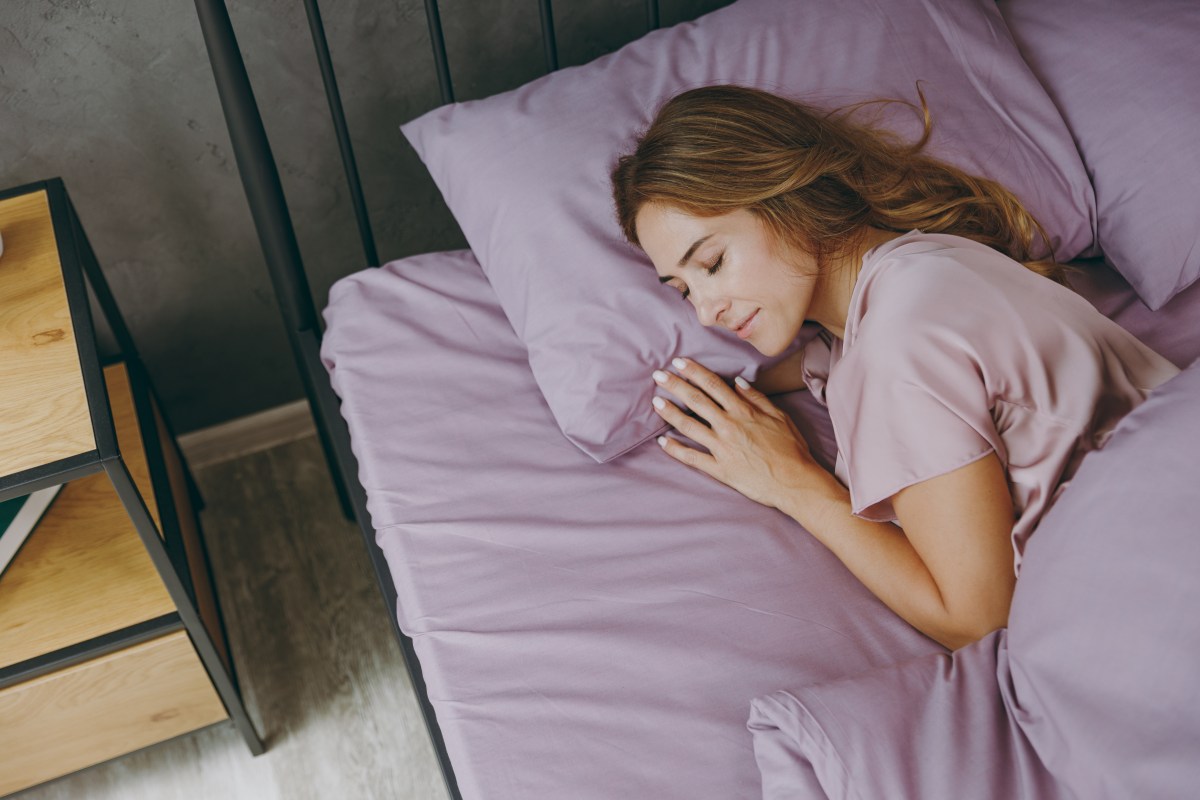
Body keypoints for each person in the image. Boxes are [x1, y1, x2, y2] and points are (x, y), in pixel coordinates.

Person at [610, 85, 1180, 651]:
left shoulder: (896, 346)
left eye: (713, 262)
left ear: (784, 194)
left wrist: (796, 484)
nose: (707, 311)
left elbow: (974, 619)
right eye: (683, 290)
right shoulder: (926, 260)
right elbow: (848, 359)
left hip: (1160, 580)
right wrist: (751, 382)